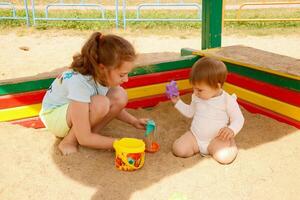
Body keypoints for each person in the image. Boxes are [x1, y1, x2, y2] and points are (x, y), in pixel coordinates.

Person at [39, 32, 148, 155]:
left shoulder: (100, 74)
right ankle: (69, 141)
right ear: (102, 68)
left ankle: (91, 135)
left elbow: (114, 105)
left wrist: (133, 121)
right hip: (54, 117)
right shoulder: (79, 82)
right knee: (101, 103)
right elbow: (97, 106)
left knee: (119, 95)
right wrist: (120, 143)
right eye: (122, 75)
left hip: (75, 112)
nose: (126, 79)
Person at [170, 57, 244, 164]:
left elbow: (238, 119)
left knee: (224, 158)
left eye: (199, 90)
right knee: (178, 149)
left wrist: (232, 130)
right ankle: (196, 147)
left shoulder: (227, 100)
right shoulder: (196, 97)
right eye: (194, 88)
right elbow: (190, 112)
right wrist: (177, 102)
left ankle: (231, 144)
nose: (195, 92)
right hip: (196, 136)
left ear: (217, 86)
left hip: (217, 139)